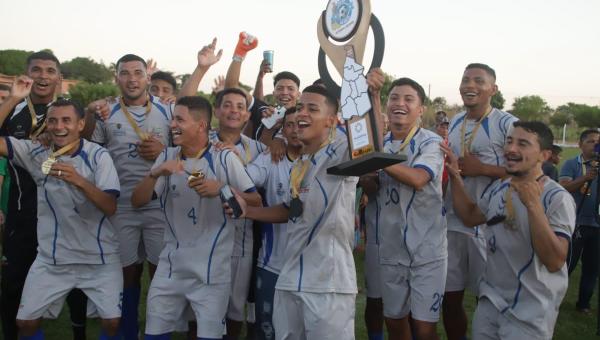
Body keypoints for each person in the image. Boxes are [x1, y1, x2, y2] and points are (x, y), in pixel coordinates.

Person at [225, 85, 359, 340]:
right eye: (300, 108)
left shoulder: (340, 148)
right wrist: (247, 211)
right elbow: (288, 210)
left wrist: (365, 90)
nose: (301, 114)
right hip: (289, 277)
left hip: (327, 283)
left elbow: (364, 140)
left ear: (331, 120)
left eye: (312, 109)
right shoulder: (300, 162)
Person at [131, 96, 261, 340]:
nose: (172, 125)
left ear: (201, 126)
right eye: (172, 119)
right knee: (154, 333)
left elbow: (256, 202)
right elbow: (136, 202)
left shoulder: (224, 158)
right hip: (170, 267)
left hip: (210, 272)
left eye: (180, 119)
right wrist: (155, 173)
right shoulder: (167, 156)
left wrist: (221, 188)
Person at [442, 121, 575, 340]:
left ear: (544, 155)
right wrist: (455, 176)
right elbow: (469, 216)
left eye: (523, 144)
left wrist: (533, 206)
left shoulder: (557, 198)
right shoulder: (500, 187)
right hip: (491, 303)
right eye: (509, 141)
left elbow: (554, 260)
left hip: (531, 311)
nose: (511, 149)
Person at [4, 98, 122, 340]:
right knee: (24, 323)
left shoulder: (99, 156)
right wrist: (12, 97)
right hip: (53, 259)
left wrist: (79, 180)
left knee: (112, 323)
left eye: (66, 120)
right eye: (53, 121)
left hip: (98, 258)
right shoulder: (36, 152)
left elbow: (110, 207)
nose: (59, 127)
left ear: (80, 124)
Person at [0, 51, 88, 340]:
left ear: (59, 78)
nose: (43, 75)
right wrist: (12, 97)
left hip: (66, 212)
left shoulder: (67, 112)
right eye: (36, 69)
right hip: (23, 209)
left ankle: (79, 333)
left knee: (74, 280)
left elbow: (90, 141)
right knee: (15, 281)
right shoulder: (14, 108)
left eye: (50, 70)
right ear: (26, 74)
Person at [88, 54, 172, 340]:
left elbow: (182, 152)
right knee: (126, 273)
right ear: (117, 78)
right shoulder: (106, 112)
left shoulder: (167, 110)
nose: (132, 79)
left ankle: (155, 331)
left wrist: (162, 150)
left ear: (148, 77)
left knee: (159, 272)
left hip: (159, 205)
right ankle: (127, 330)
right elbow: (94, 154)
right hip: (121, 205)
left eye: (138, 73)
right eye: (125, 73)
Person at [442, 63, 518, 340]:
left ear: (493, 89)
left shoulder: (507, 123)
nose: (469, 85)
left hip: (490, 223)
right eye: (465, 79)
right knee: (450, 297)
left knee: (491, 299)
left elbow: (527, 171)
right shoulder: (455, 121)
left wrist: (483, 169)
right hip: (453, 220)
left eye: (478, 80)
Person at [370, 76, 446, 340]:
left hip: (427, 252)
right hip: (391, 249)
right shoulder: (382, 142)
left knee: (424, 329)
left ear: (420, 109)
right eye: (394, 98)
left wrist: (374, 158)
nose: (399, 103)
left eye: (408, 99)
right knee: (394, 322)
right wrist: (364, 173)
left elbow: (418, 179)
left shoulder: (430, 142)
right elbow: (371, 189)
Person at [209, 87, 266, 339]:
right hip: (204, 233)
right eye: (228, 105)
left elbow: (259, 194)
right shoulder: (200, 142)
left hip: (241, 238)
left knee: (235, 305)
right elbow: (189, 173)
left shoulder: (260, 149)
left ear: (246, 116)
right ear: (216, 111)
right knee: (202, 304)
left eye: (240, 107)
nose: (234, 110)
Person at [245, 107, 302, 340]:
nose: (296, 129)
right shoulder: (271, 157)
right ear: (283, 130)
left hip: (309, 266)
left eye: (301, 123)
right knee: (267, 330)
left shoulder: (321, 158)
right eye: (289, 125)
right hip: (271, 263)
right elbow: (246, 178)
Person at [561, 129, 600, 313]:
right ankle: (554, 298)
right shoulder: (571, 164)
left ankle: (584, 304)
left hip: (597, 224)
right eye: (591, 141)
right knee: (567, 265)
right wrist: (586, 177)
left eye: (597, 142)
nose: (595, 145)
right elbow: (564, 188)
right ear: (580, 144)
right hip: (576, 223)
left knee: (592, 268)